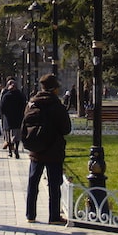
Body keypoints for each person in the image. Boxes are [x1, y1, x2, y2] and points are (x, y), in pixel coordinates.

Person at [23, 73, 71, 224]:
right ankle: (54, 216)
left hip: (36, 149)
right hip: (53, 150)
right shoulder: (57, 106)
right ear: (54, 89)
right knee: (54, 184)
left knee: (33, 182)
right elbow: (66, 129)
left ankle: (30, 214)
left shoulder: (32, 103)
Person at [0, 79, 27, 158]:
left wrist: (2, 114)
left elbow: (2, 107)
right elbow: (24, 106)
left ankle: (10, 151)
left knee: (8, 135)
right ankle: (16, 149)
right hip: (18, 118)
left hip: (8, 119)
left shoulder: (6, 96)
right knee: (17, 136)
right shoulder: (21, 95)